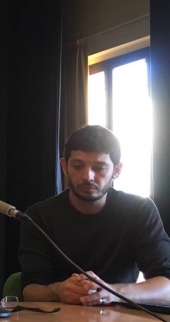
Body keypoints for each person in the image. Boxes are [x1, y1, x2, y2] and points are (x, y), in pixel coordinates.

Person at [19, 125, 170, 305]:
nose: (87, 176)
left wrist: (112, 292)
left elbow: (166, 285)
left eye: (99, 167)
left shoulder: (139, 210)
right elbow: (30, 290)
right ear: (64, 166)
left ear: (117, 171)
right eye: (77, 166)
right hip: (56, 319)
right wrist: (58, 291)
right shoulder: (38, 216)